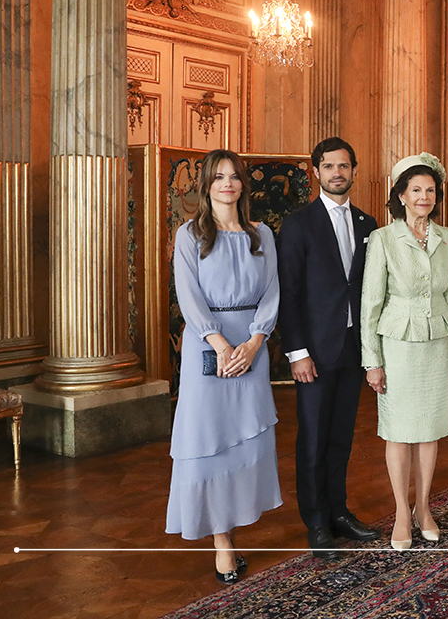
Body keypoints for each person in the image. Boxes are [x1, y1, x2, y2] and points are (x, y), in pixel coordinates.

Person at [166, 149, 281, 584]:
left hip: (252, 343)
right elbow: (188, 296)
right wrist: (220, 343)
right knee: (209, 438)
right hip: (207, 346)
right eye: (218, 177)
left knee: (244, 438)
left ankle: (233, 524)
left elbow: (272, 291)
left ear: (243, 185)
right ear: (207, 185)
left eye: (234, 177)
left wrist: (254, 342)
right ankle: (222, 542)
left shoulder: (261, 234)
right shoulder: (188, 235)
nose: (227, 184)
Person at [277, 137, 381, 561]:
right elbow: (290, 292)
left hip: (354, 349)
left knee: (341, 439)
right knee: (313, 440)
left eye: (344, 166)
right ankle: (316, 522)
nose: (337, 173)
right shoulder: (298, 223)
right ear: (315, 172)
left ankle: (339, 512)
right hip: (314, 353)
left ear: (354, 170)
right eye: (329, 166)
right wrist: (296, 352)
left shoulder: (368, 223)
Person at [360, 152, 448, 550]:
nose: (424, 196)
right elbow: (371, 302)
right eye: (416, 189)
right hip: (398, 344)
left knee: (431, 431)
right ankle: (402, 511)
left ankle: (424, 506)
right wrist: (373, 361)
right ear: (401, 195)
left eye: (430, 190)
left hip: (440, 342)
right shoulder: (383, 238)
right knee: (400, 432)